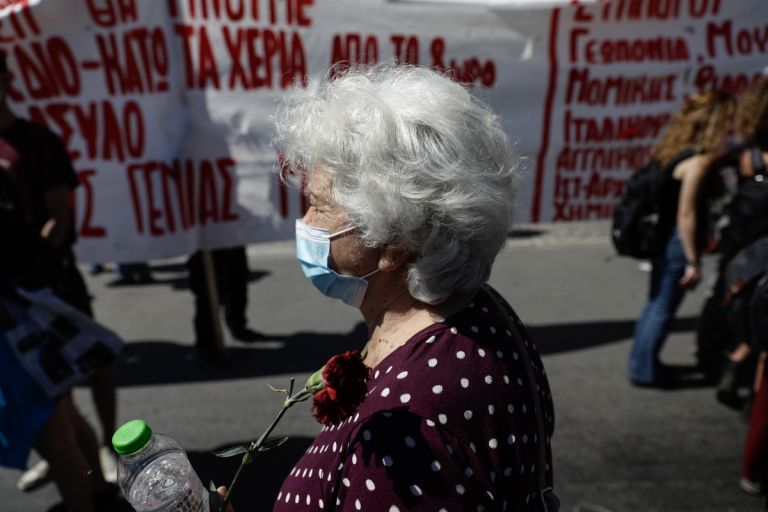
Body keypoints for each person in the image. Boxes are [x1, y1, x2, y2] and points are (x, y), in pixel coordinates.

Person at [242, 64, 556, 511]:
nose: (305, 225)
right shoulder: (481, 311)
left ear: (395, 243)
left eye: (318, 206)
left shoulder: (408, 429)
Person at [0, 52, 119, 487]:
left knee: (92, 362)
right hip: (12, 293)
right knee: (43, 380)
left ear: (6, 80)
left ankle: (107, 446)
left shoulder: (37, 142)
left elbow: (59, 217)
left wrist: (34, 264)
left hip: (50, 278)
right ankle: (64, 451)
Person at [0, 162, 122, 511]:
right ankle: (96, 487)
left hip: (17, 353)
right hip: (30, 346)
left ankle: (86, 498)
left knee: (56, 443)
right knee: (66, 424)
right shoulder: (12, 215)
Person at [628, 91, 735, 388]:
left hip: (662, 238)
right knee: (663, 308)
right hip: (677, 242)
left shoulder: (673, 150)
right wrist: (692, 260)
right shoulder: (698, 163)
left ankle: (642, 363)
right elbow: (686, 215)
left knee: (654, 304)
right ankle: (645, 370)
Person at [187, 246, 262, 364]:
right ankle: (207, 343)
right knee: (207, 290)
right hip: (205, 242)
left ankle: (238, 325)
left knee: (237, 278)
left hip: (229, 237)